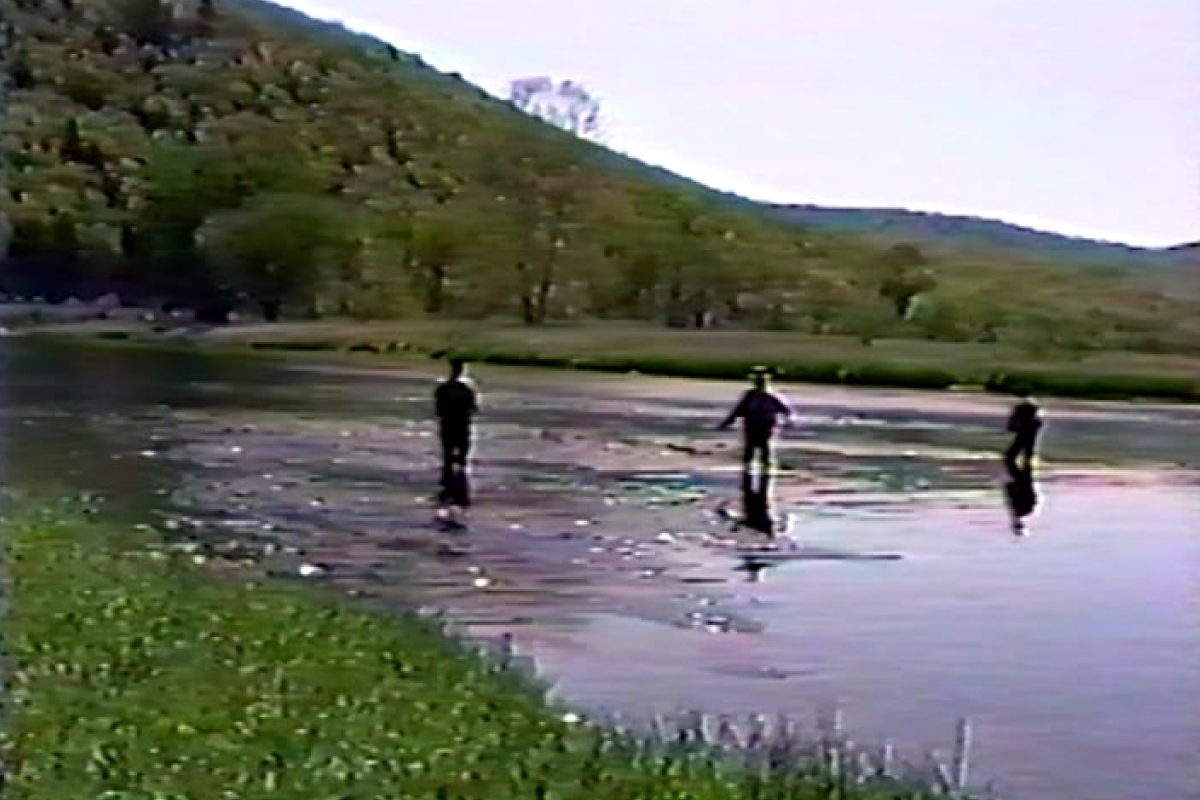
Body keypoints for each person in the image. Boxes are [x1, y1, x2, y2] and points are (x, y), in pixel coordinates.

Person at [718, 367, 793, 476]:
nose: (758, 384)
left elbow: (787, 411)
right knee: (750, 448)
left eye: (761, 382)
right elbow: (739, 410)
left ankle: (767, 469)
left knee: (766, 448)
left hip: (767, 425)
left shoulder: (774, 396)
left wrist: (789, 421)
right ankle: (748, 469)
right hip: (752, 424)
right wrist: (728, 422)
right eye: (757, 382)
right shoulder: (749, 395)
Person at [434, 358, 479, 510]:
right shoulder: (467, 388)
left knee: (447, 456)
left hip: (448, 425)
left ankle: (448, 484)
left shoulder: (443, 388)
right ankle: (460, 483)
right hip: (462, 425)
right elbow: (474, 409)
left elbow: (438, 410)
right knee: (462, 458)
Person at [1004, 389, 1042, 475]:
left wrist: (1012, 425)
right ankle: (1026, 465)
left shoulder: (1025, 406)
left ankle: (1024, 466)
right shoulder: (1031, 405)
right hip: (1029, 428)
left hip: (1027, 428)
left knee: (1014, 453)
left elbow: (1014, 418)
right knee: (1026, 448)